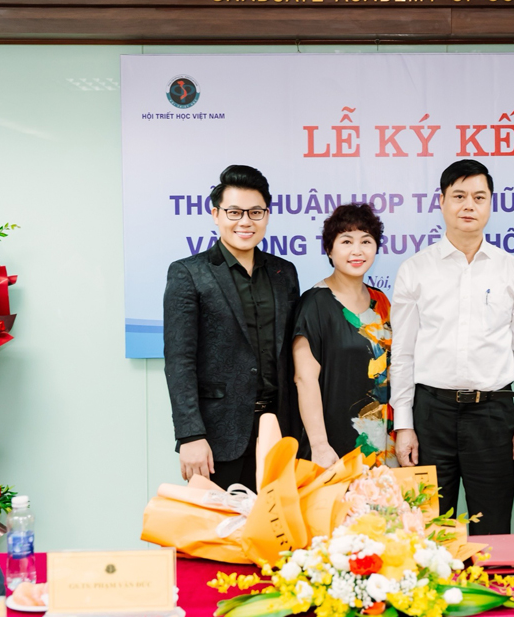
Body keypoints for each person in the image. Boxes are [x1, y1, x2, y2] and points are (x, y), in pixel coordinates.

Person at [390, 159, 514, 534]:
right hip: (430, 416)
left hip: (492, 416)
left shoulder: (511, 269)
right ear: (441, 201)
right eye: (458, 196)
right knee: (426, 534)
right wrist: (404, 425)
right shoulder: (415, 269)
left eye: (478, 197)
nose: (468, 205)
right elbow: (403, 355)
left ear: (490, 203)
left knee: (493, 534)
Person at [163, 164, 301, 491]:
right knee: (218, 523)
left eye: (255, 212)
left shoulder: (284, 273)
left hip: (279, 430)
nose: (245, 221)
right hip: (217, 436)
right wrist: (190, 435)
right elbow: (180, 361)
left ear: (267, 215)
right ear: (216, 214)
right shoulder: (189, 273)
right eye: (234, 212)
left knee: (278, 522)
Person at [292, 203, 394, 468]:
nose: (357, 251)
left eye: (366, 241)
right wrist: (319, 445)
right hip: (334, 446)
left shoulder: (381, 301)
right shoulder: (314, 304)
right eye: (346, 241)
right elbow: (305, 379)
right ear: (329, 249)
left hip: (384, 441)